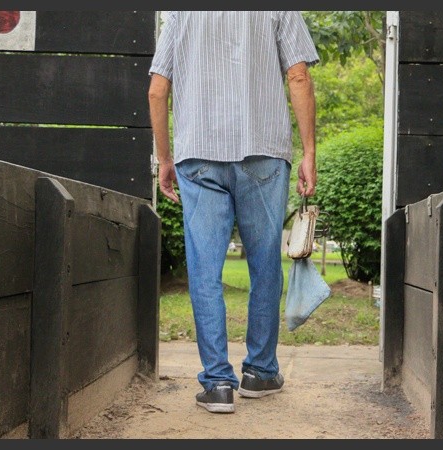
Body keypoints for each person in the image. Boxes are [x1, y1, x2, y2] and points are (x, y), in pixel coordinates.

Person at [147, 11, 319, 414]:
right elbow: (298, 77)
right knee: (264, 265)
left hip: (199, 153)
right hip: (264, 151)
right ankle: (259, 372)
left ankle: (218, 383)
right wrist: (309, 153)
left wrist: (164, 158)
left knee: (205, 270)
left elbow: (157, 90)